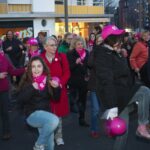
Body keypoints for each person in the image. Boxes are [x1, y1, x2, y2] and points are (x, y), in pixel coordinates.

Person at [94, 25, 150, 140]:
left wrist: (121, 55)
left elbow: (125, 74)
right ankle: (142, 126)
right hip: (115, 98)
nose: (121, 40)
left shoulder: (114, 52)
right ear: (110, 39)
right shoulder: (102, 55)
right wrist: (112, 106)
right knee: (122, 135)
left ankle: (142, 126)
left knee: (144, 91)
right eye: (117, 38)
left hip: (123, 94)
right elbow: (107, 81)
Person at [17, 56, 59, 150]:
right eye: (33, 66)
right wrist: (32, 88)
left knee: (50, 145)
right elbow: (20, 100)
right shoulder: (27, 81)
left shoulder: (48, 80)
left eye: (39, 66)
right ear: (30, 69)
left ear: (43, 67)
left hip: (46, 116)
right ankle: (38, 145)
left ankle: (40, 145)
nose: (36, 69)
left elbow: (56, 99)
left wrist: (56, 88)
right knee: (54, 120)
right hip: (32, 115)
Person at [41, 36, 70, 146]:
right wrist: (47, 81)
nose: (55, 47)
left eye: (56, 45)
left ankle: (58, 136)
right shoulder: (40, 58)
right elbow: (36, 73)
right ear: (45, 47)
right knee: (45, 115)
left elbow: (67, 73)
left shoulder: (62, 57)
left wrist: (60, 83)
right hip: (45, 91)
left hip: (58, 91)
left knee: (58, 115)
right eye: (52, 45)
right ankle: (47, 137)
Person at [0, 48, 24, 140]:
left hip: (4, 90)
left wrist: (25, 69)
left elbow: (12, 71)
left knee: (5, 113)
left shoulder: (3, 58)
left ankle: (6, 132)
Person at [67, 36, 89, 127]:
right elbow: (69, 68)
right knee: (73, 98)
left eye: (81, 44)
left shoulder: (87, 53)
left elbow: (88, 65)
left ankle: (82, 119)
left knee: (82, 100)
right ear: (74, 45)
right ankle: (72, 106)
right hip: (73, 80)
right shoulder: (70, 53)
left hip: (83, 80)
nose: (80, 46)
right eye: (78, 44)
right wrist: (76, 63)